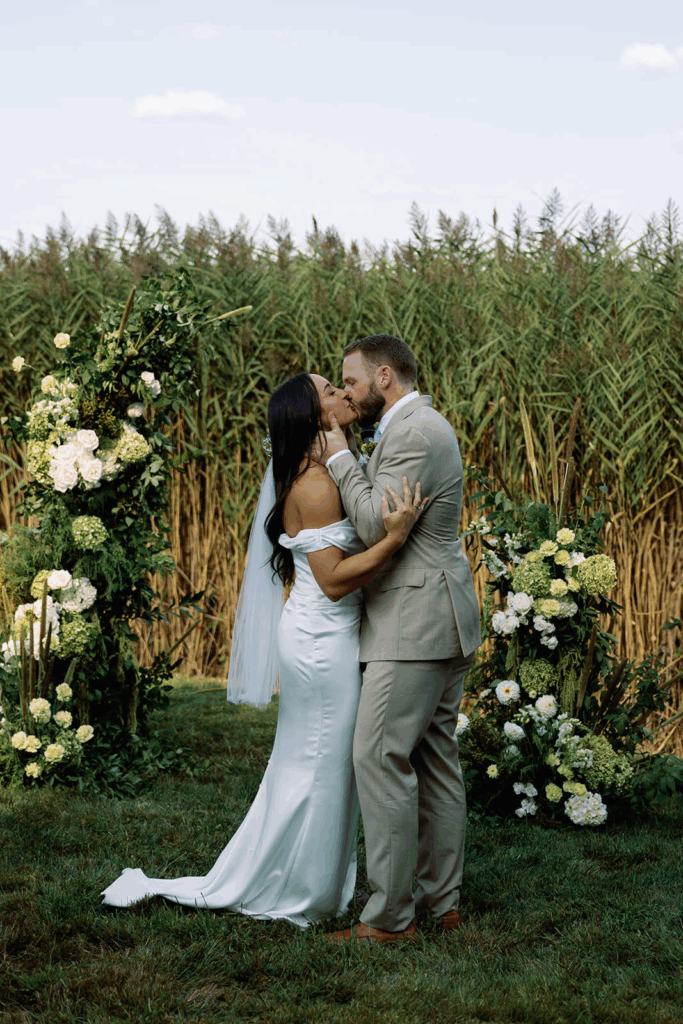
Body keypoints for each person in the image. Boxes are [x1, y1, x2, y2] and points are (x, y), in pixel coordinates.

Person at [100, 361, 426, 928]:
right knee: (322, 764)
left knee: (310, 763)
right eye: (332, 391)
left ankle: (304, 879)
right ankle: (303, 890)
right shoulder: (318, 485)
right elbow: (332, 578)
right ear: (315, 414)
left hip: (320, 633)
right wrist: (396, 540)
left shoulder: (317, 470)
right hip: (323, 641)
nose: (343, 394)